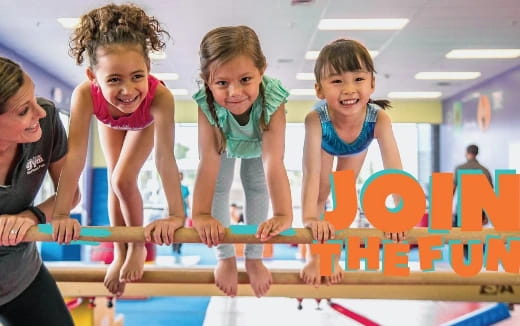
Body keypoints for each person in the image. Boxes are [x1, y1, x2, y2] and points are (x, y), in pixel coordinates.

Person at [53, 4, 185, 297]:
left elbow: (165, 158)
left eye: (137, 76)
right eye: (114, 79)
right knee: (114, 179)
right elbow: (75, 156)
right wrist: (62, 213)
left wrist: (176, 214)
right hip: (108, 117)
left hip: (144, 119)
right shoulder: (85, 95)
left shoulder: (159, 96)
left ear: (148, 70)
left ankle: (137, 247)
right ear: (92, 76)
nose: (128, 90)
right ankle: (119, 251)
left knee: (124, 179)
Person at [191, 26, 293, 297]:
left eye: (246, 79)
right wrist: (200, 214)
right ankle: (225, 258)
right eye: (222, 83)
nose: (234, 92)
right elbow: (208, 162)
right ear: (207, 81)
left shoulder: (272, 98)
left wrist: (283, 213)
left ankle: (254, 257)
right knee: (220, 184)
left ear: (262, 71)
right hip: (224, 140)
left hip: (261, 141)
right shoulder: (207, 103)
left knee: (256, 184)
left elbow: (274, 160)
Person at [300, 39, 404, 287]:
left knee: (344, 195)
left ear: (372, 84)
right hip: (327, 141)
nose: (348, 89)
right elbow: (311, 174)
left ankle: (332, 257)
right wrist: (309, 218)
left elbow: (394, 170)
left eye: (358, 79)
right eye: (337, 81)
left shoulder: (379, 119)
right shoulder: (315, 119)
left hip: (357, 142)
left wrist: (400, 214)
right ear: (319, 90)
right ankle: (316, 257)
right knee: (322, 191)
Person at [0, 57, 80, 326]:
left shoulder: (45, 123)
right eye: (24, 111)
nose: (41, 112)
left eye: (35, 99)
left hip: (22, 276)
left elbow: (70, 194)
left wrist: (31, 216)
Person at [453, 144, 492, 258]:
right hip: (478, 212)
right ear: (477, 153)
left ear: (466, 153)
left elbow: (452, 190)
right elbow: (489, 195)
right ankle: (476, 265)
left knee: (462, 239)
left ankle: (465, 265)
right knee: (477, 239)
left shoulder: (459, 168)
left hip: (462, 211)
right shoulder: (485, 170)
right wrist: (486, 215)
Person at [172, 172, 190, 258]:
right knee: (173, 230)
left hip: (183, 212)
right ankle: (174, 247)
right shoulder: (171, 188)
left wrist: (190, 211)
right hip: (173, 213)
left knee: (181, 230)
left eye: (180, 176)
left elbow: (187, 201)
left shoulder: (185, 189)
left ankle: (179, 247)